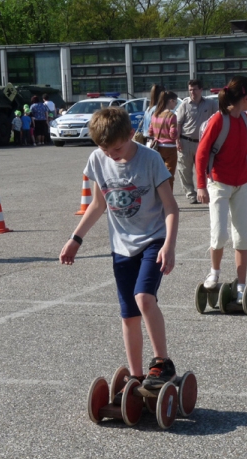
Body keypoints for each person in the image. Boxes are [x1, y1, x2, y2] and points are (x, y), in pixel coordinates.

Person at [58, 107, 179, 393]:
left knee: (144, 298)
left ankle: (163, 362)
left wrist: (170, 246)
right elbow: (98, 205)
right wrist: (76, 239)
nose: (111, 154)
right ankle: (137, 377)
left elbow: (171, 208)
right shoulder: (98, 159)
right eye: (104, 149)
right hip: (121, 247)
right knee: (128, 315)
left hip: (153, 239)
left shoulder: (150, 160)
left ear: (130, 134)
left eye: (116, 148)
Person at [195, 76, 247, 303]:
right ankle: (214, 274)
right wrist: (201, 186)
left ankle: (241, 285)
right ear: (244, 97)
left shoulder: (244, 120)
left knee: (243, 237)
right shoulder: (218, 120)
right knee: (220, 233)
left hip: (242, 184)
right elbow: (201, 154)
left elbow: (245, 154)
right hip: (219, 184)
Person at [175, 79, 218, 204]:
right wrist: (177, 141)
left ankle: (207, 192)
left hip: (204, 143)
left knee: (205, 169)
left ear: (200, 90)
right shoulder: (184, 105)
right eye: (190, 90)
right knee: (184, 170)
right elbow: (178, 124)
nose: (192, 92)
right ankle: (191, 195)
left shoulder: (210, 104)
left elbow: (217, 119)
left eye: (194, 89)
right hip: (186, 141)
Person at [148, 90, 179, 190]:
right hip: (170, 149)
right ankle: (168, 197)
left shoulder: (155, 115)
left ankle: (159, 197)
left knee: (158, 175)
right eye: (175, 102)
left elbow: (150, 132)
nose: (176, 104)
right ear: (170, 101)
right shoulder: (172, 116)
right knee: (169, 175)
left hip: (157, 149)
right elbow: (173, 134)